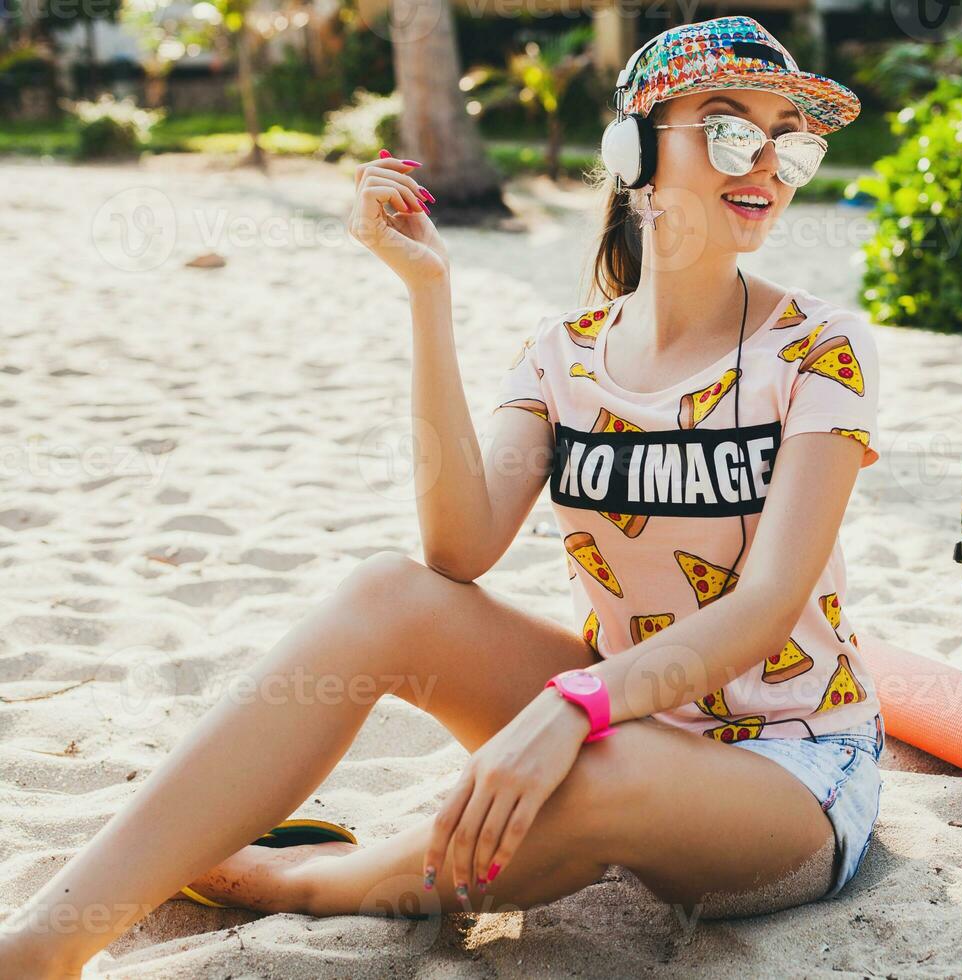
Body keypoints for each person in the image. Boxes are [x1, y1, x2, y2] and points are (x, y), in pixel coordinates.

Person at [0, 16, 885, 977]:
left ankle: (298, 883)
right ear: (632, 150)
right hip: (622, 714)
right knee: (386, 594)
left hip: (790, 770)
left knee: (598, 769)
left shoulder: (819, 349)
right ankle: (43, 947)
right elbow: (457, 553)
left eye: (789, 140)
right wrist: (429, 295)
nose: (763, 163)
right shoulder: (566, 352)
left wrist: (573, 706)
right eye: (726, 128)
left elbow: (763, 611)